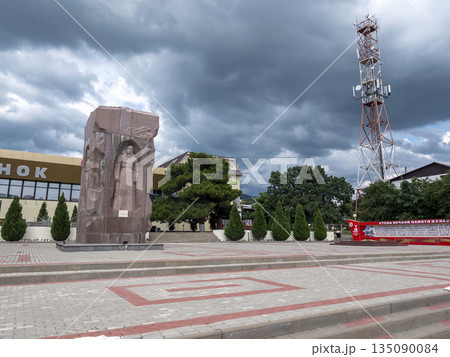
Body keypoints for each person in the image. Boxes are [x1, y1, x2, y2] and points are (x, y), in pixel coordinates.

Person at [113, 144, 137, 211]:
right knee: (121, 190)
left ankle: (129, 209)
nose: (128, 150)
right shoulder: (121, 156)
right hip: (123, 173)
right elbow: (117, 166)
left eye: (129, 149)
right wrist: (116, 175)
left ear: (132, 150)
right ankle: (118, 207)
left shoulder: (134, 158)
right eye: (127, 148)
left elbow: (135, 169)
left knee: (129, 192)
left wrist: (135, 177)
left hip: (130, 174)